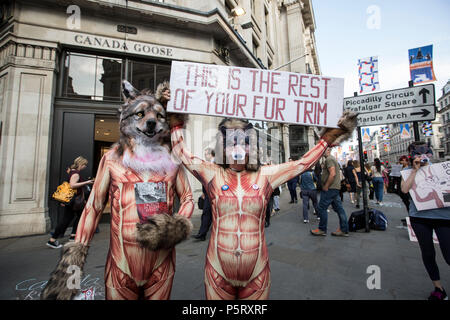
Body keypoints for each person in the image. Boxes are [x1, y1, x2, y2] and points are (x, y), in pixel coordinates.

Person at [170, 111, 356, 299]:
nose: (238, 147)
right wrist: (176, 123)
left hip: (256, 273)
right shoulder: (212, 173)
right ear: (222, 148)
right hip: (217, 272)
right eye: (232, 142)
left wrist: (327, 138)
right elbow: (182, 153)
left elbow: (303, 164)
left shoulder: (266, 174)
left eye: (244, 142)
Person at [401, 142, 450, 300]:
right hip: (420, 218)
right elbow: (404, 189)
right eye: (416, 153)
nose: (421, 156)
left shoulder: (441, 168)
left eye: (424, 153)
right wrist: (414, 171)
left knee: (448, 253)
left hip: (443, 217)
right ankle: (438, 288)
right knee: (428, 253)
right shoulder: (407, 172)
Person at [46, 156, 94, 249]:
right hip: (74, 201)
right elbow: (72, 185)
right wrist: (87, 182)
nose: (85, 167)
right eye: (85, 165)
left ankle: (72, 236)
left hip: (72, 200)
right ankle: (53, 240)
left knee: (76, 217)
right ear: (81, 164)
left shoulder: (72, 171)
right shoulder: (76, 174)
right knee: (67, 219)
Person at [311, 148, 350, 237]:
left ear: (328, 150)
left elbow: (332, 173)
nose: (321, 151)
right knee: (339, 209)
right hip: (334, 188)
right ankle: (344, 229)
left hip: (330, 188)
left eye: (323, 149)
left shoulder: (329, 159)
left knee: (321, 208)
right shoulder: (331, 159)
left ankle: (322, 229)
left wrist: (326, 186)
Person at [193, 148, 216, 241]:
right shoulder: (206, 165)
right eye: (205, 154)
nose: (205, 156)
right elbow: (204, 180)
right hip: (207, 193)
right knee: (206, 212)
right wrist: (203, 192)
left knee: (214, 214)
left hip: (216, 193)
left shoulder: (217, 164)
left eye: (206, 154)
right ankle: (202, 234)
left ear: (211, 155)